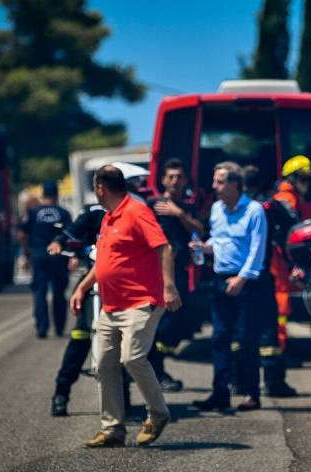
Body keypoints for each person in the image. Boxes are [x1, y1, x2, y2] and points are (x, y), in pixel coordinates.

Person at [70, 165, 181, 448]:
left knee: (132, 358)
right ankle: (112, 429)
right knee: (103, 365)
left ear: (100, 188)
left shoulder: (136, 211)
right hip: (111, 306)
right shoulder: (108, 218)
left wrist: (169, 287)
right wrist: (82, 287)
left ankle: (158, 414)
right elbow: (103, 262)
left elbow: (164, 247)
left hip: (140, 302)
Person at [190, 161, 269, 412]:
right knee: (219, 338)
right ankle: (220, 393)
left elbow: (257, 249)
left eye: (220, 182)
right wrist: (204, 247)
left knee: (247, 339)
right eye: (215, 181)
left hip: (247, 282)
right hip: (220, 279)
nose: (214, 186)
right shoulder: (216, 209)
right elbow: (219, 240)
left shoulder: (254, 210)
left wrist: (241, 279)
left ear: (235, 184)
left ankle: (251, 393)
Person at [46, 202, 116, 417]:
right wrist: (59, 242)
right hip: (92, 279)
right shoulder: (93, 211)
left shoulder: (131, 210)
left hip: (120, 283)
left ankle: (126, 397)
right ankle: (61, 394)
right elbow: (72, 231)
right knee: (80, 334)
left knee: (129, 339)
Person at [147, 158, 204, 393]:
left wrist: (178, 213)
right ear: (162, 180)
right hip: (155, 273)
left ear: (186, 180)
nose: (175, 181)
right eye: (170, 177)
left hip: (179, 272)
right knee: (161, 321)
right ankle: (156, 370)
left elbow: (200, 229)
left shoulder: (187, 207)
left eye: (179, 177)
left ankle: (154, 364)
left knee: (181, 319)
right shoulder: (152, 205)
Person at [242, 163, 299, 398]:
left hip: (236, 277)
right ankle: (273, 383)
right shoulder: (270, 206)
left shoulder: (230, 208)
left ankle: (238, 382)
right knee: (268, 331)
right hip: (263, 275)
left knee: (240, 332)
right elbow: (289, 231)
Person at [18, 181, 72, 338]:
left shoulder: (33, 212)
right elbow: (71, 235)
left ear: (43, 195)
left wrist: (26, 251)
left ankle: (42, 328)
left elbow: (21, 234)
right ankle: (59, 327)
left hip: (39, 256)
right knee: (59, 292)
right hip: (58, 257)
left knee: (40, 292)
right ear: (57, 195)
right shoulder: (64, 213)